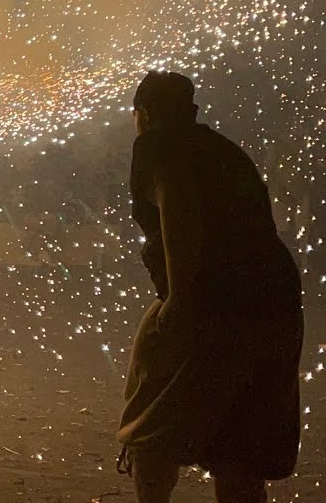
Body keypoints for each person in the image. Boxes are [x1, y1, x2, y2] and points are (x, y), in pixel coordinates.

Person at [117, 71, 303, 503]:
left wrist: (180, 300)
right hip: (276, 303)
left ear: (142, 114)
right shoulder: (224, 149)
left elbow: (179, 207)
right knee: (243, 448)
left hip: (212, 305)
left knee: (152, 429)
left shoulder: (159, 145)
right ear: (193, 110)